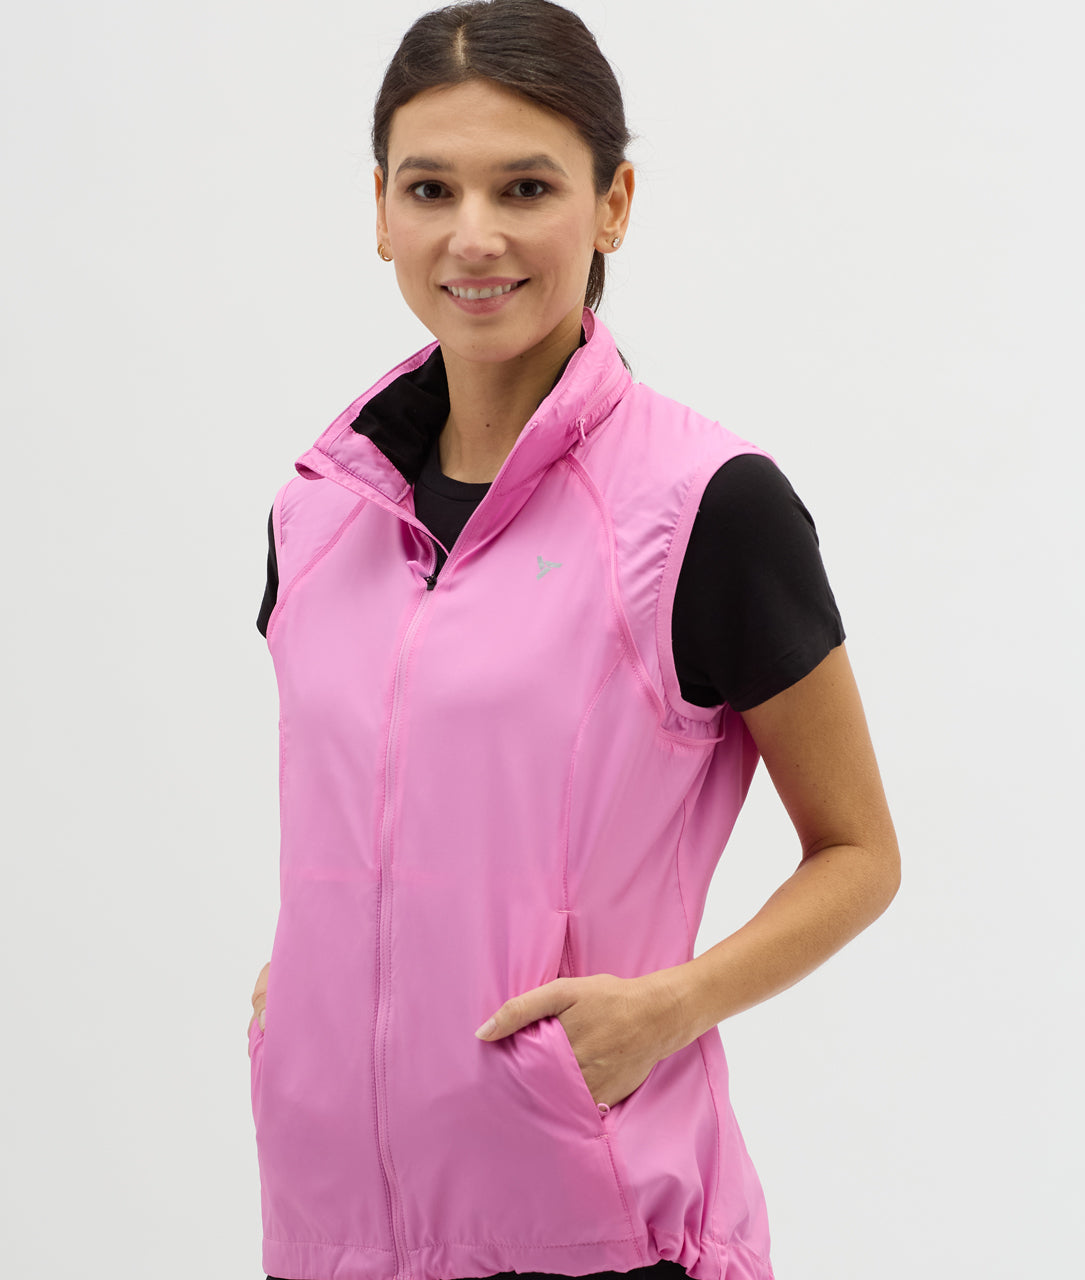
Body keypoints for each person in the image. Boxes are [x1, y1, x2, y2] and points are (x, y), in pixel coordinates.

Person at [246, 3, 900, 1279]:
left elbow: (859, 852)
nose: (472, 234)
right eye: (429, 188)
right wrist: (315, 981)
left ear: (611, 205)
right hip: (328, 1223)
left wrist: (667, 1007)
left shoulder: (704, 506)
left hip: (597, 1227)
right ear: (379, 210)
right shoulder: (315, 515)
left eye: (526, 187)